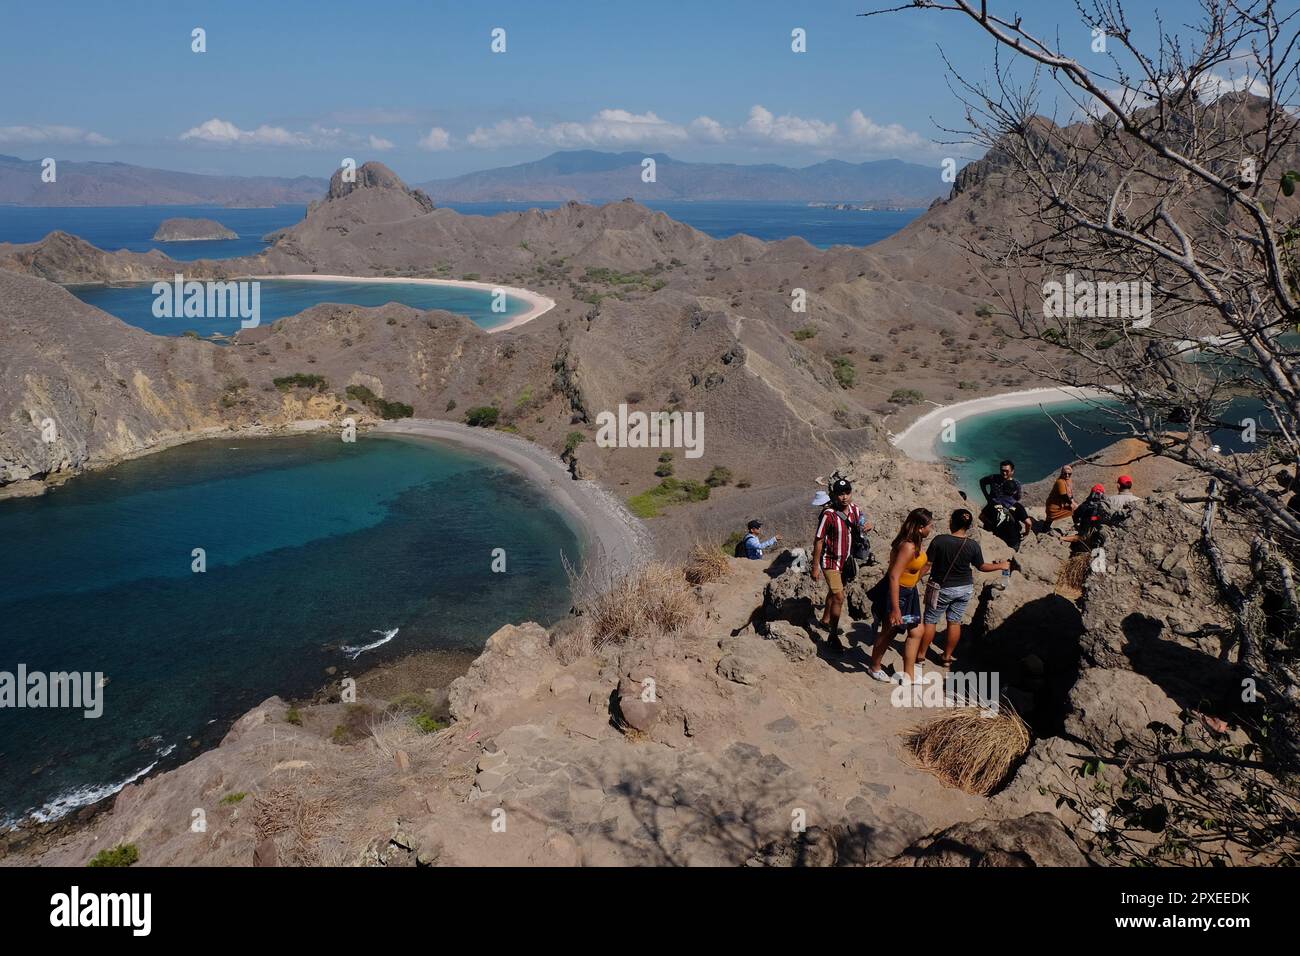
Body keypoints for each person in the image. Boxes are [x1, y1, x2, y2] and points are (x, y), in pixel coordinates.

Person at [915, 509, 1012, 668]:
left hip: (942, 588)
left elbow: (928, 565)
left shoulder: (940, 540)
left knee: (931, 620)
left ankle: (920, 656)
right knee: (954, 623)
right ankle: (947, 657)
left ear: (951, 522)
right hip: (964, 588)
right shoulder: (972, 545)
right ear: (969, 526)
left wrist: (914, 579)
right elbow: (981, 566)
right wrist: (1001, 566)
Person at [866, 508, 933, 684]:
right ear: (920, 527)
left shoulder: (916, 543)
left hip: (910, 593)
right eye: (929, 526)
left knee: (917, 630)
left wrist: (924, 571)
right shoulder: (908, 546)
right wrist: (895, 608)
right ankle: (874, 666)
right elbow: (894, 576)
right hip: (898, 594)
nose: (931, 529)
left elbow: (911, 571)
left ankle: (909, 676)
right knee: (889, 631)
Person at [810, 477, 868, 654]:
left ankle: (826, 620)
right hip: (830, 562)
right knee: (839, 596)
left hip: (846, 562)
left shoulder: (855, 510)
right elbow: (819, 540)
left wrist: (866, 526)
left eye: (847, 493)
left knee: (834, 592)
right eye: (840, 494)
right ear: (834, 495)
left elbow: (861, 522)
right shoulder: (829, 515)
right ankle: (833, 636)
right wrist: (815, 566)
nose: (844, 497)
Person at [979, 459, 1033, 538]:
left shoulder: (1016, 484)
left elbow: (1017, 497)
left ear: (1012, 471)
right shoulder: (993, 478)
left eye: (1007, 471)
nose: (1004, 473)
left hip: (1008, 510)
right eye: (1002, 470)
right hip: (992, 508)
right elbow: (982, 482)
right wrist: (986, 496)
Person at [1045, 465, 1076, 531]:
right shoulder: (1060, 482)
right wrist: (1071, 503)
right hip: (1054, 505)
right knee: (1050, 518)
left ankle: (1076, 524)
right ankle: (1045, 529)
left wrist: (1073, 501)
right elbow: (1064, 495)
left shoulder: (1069, 480)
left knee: (1074, 510)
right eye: (1065, 473)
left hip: (1060, 504)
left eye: (1069, 474)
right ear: (1062, 473)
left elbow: (1070, 493)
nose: (1067, 475)